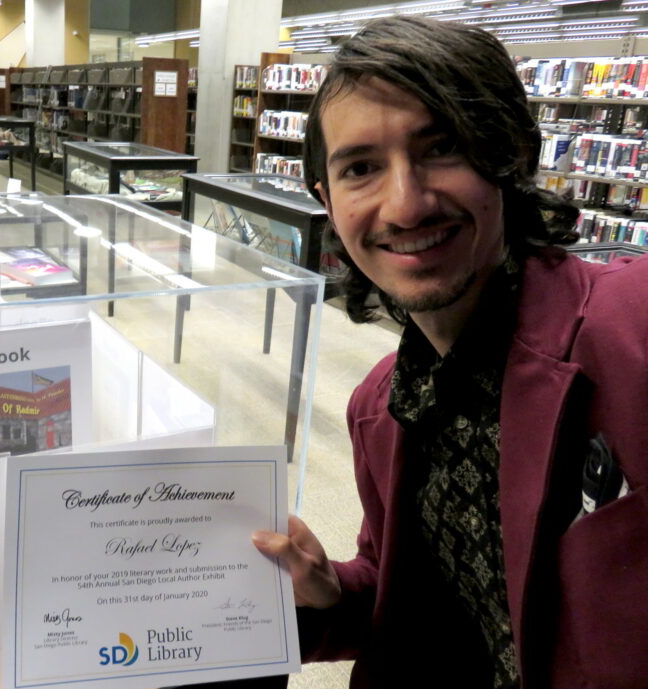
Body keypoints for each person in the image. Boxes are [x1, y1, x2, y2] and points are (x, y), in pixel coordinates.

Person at [252, 15, 648, 689]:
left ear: (512, 156)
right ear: (327, 200)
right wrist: (329, 589)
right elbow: (410, 592)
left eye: (443, 149)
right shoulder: (380, 405)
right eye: (361, 168)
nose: (405, 204)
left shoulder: (633, 321)